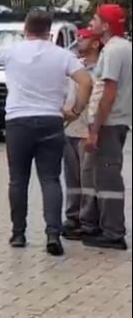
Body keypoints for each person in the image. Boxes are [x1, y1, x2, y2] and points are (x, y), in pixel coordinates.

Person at [0, 9, 93, 255]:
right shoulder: (62, 56)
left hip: (18, 122)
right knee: (51, 179)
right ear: (49, 30)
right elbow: (86, 82)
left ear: (26, 27)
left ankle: (18, 234)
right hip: (50, 120)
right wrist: (75, 111)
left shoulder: (12, 51)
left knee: (18, 180)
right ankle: (53, 235)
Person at [80, 4, 130, 250]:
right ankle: (94, 224)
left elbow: (108, 92)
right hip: (113, 122)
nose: (92, 23)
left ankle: (113, 232)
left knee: (108, 177)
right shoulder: (123, 48)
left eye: (96, 19)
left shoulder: (112, 51)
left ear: (107, 26)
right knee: (95, 174)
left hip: (109, 124)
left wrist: (95, 129)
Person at [61, 28, 102, 238]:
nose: (79, 40)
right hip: (70, 128)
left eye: (84, 37)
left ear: (95, 43)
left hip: (87, 129)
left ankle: (89, 221)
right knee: (72, 178)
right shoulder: (75, 67)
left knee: (89, 179)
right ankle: (72, 216)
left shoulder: (100, 69)